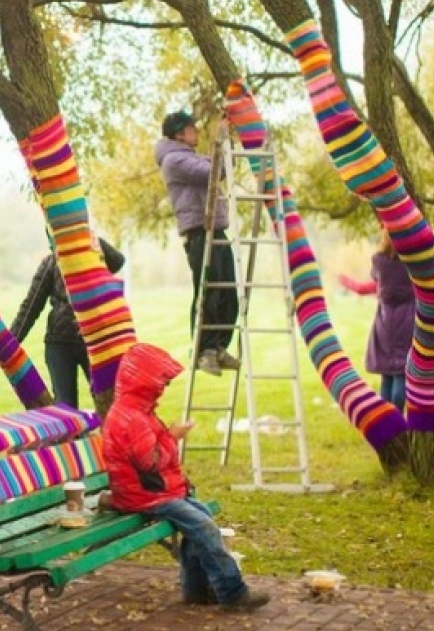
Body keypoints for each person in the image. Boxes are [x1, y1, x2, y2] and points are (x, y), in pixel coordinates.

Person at [102, 342, 270, 611]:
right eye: (162, 381)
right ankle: (233, 593)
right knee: (203, 527)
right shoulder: (130, 417)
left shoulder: (138, 411)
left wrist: (167, 437)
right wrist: (173, 437)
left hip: (157, 492)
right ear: (144, 382)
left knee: (201, 519)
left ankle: (197, 590)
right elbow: (151, 463)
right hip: (145, 496)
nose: (164, 387)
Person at [156, 110, 239, 377]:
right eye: (192, 128)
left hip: (215, 229)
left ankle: (219, 348)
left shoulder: (189, 157)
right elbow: (215, 171)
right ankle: (204, 351)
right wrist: (223, 138)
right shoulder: (174, 160)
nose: (197, 132)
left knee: (229, 292)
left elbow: (222, 167)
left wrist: (228, 140)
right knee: (209, 291)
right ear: (180, 133)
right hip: (200, 233)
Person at [9, 236, 125, 409]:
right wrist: (11, 342)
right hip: (60, 344)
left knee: (108, 401)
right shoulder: (51, 263)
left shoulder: (93, 255)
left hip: (94, 343)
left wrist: (92, 238)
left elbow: (117, 261)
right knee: (65, 406)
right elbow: (31, 305)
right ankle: (69, 436)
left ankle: (111, 436)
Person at [340, 229, 415, 412]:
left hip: (385, 321)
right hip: (408, 320)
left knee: (386, 375)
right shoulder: (413, 261)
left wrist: (344, 280)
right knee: (400, 371)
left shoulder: (378, 261)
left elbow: (375, 282)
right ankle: (397, 414)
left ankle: (387, 417)